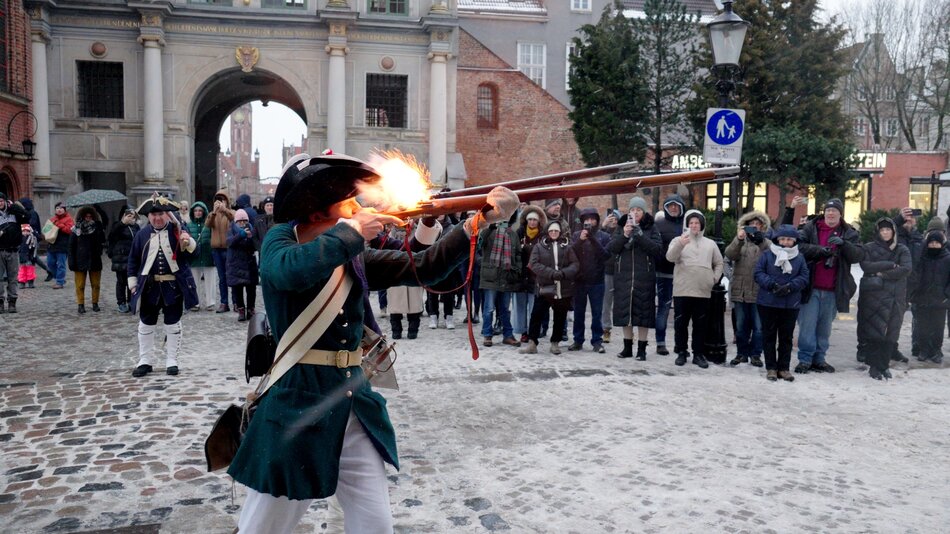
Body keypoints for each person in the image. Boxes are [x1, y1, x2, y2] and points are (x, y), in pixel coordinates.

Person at [226, 152, 518, 533]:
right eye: (347, 201)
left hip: (353, 403)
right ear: (316, 214)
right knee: (263, 527)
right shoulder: (282, 241)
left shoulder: (351, 251)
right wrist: (350, 233)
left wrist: (477, 221)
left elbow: (425, 266)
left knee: (375, 524)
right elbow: (289, 272)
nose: (358, 205)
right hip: (297, 408)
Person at [128, 196, 198, 377]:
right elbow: (133, 260)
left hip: (173, 287)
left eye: (160, 214)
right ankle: (145, 360)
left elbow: (193, 253)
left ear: (167, 215)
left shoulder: (177, 230)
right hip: (149, 287)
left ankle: (172, 360)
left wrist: (187, 241)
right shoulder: (141, 235)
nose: (157, 218)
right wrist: (133, 283)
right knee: (145, 323)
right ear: (148, 217)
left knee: (173, 323)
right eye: (153, 215)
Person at [795, 198, 865, 374]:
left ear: (840, 214)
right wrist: (820, 250)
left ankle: (819, 359)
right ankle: (805, 359)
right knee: (807, 326)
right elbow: (799, 247)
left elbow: (858, 255)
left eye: (834, 211)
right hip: (811, 287)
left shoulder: (849, 233)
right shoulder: (811, 228)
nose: (831, 214)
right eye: (828, 211)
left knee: (824, 328)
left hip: (834, 289)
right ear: (823, 213)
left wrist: (844, 245)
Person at [665, 209, 723, 369]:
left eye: (697, 223)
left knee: (700, 325)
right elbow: (670, 257)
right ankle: (682, 352)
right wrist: (680, 244)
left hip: (702, 290)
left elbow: (719, 263)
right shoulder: (678, 240)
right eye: (691, 223)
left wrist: (714, 278)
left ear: (701, 225)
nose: (694, 226)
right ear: (687, 225)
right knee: (681, 324)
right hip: (682, 289)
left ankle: (698, 353)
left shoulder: (710, 244)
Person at [856, 218, 911, 380]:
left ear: (894, 231)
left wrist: (882, 274)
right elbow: (866, 266)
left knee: (892, 333)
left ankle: (883, 365)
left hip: (896, 296)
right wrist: (889, 264)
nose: (885, 232)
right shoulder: (869, 248)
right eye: (882, 230)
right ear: (878, 232)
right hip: (874, 296)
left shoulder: (902, 249)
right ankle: (874, 366)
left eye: (888, 230)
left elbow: (906, 269)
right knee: (875, 331)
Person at [753, 225, 810, 381]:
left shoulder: (799, 257)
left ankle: (784, 368)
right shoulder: (767, 255)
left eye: (789, 240)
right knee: (769, 336)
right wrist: (772, 285)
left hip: (789, 304)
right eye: (783, 239)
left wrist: (790, 286)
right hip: (768, 302)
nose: (785, 242)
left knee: (786, 338)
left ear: (794, 241)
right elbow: (758, 273)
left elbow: (804, 277)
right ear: (777, 240)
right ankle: (771, 367)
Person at [609, 197, 662, 360]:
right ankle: (627, 348)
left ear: (644, 212)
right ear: (629, 211)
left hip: (644, 278)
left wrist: (640, 236)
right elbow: (612, 248)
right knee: (627, 314)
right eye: (633, 210)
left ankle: (642, 350)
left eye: (639, 210)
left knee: (643, 314)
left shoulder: (651, 227)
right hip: (623, 277)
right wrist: (625, 235)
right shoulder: (621, 226)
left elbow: (657, 250)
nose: (635, 212)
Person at [520, 220, 579, 354]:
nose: (553, 233)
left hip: (562, 288)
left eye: (556, 231)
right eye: (551, 231)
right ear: (547, 232)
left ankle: (555, 343)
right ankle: (532, 342)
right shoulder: (539, 247)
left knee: (560, 316)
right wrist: (552, 273)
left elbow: (575, 265)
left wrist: (563, 273)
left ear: (560, 232)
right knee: (536, 315)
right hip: (545, 287)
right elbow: (534, 264)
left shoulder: (567, 247)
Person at [724, 210, 771, 368]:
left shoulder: (766, 242)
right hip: (740, 290)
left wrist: (761, 241)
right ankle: (741, 353)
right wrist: (738, 239)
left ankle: (756, 355)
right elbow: (729, 254)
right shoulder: (740, 241)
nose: (754, 227)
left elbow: (773, 255)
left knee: (758, 327)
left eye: (758, 225)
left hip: (759, 291)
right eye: (751, 225)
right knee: (741, 326)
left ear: (762, 227)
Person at [569, 208, 612, 353]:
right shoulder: (576, 235)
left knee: (596, 313)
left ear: (597, 221)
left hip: (597, 281)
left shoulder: (604, 236)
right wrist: (580, 241)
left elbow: (605, 255)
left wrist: (592, 239)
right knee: (578, 313)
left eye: (592, 219)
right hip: (580, 281)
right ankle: (578, 340)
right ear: (582, 222)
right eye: (586, 220)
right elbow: (570, 253)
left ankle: (597, 341)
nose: (589, 222)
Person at [478, 214, 522, 347]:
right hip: (490, 277)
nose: (503, 221)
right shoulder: (489, 232)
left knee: (505, 309)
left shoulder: (513, 234)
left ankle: (508, 335)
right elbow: (480, 243)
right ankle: (487, 335)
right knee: (489, 308)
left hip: (507, 277)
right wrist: (489, 226)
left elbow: (518, 255)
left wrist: (517, 270)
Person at [909, 230, 950, 364]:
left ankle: (936, 351)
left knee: (938, 327)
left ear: (942, 244)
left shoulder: (947, 258)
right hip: (923, 298)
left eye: (937, 243)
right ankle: (924, 350)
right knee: (922, 326)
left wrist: (946, 294)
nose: (933, 245)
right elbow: (915, 275)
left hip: (940, 300)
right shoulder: (922, 258)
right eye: (931, 243)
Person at [653, 194, 687, 355]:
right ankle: (660, 342)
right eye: (671, 205)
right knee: (664, 309)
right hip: (664, 273)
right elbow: (655, 247)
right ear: (666, 207)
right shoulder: (658, 224)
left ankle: (681, 345)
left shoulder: (687, 225)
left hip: (683, 273)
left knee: (682, 311)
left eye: (676, 205)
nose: (674, 208)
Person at [511, 206, 547, 342]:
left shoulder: (543, 236)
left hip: (536, 276)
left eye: (535, 220)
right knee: (519, 306)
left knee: (534, 307)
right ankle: (522, 331)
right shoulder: (519, 233)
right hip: (520, 275)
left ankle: (533, 332)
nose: (532, 222)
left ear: (538, 222)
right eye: (530, 219)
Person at [425, 213, 462, 331]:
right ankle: (433, 316)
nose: (440, 214)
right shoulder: (430, 226)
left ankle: (449, 317)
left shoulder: (451, 228)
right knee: (432, 293)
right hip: (432, 264)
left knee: (448, 294)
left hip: (448, 265)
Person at [68, 205, 106, 314]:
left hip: (94, 259)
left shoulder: (97, 228)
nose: (88, 218)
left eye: (90, 216)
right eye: (86, 216)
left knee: (96, 284)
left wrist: (100, 226)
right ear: (82, 217)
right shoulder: (76, 229)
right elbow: (71, 246)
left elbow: (103, 240)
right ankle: (80, 304)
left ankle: (95, 303)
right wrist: (71, 261)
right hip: (80, 259)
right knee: (80, 285)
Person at [226, 209, 259, 322]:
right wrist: (241, 235)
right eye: (240, 221)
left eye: (244, 221)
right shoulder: (231, 229)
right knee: (237, 289)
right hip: (236, 264)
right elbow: (229, 242)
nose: (242, 223)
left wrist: (250, 238)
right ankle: (240, 309)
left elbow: (255, 245)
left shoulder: (252, 229)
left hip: (249, 264)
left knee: (251, 289)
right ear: (236, 222)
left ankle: (250, 309)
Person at [107, 206, 141, 313]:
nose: (131, 218)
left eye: (132, 216)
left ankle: (131, 301)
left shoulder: (136, 227)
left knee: (132, 281)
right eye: (129, 216)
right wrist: (123, 223)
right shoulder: (118, 226)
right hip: (121, 258)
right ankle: (121, 302)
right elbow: (111, 236)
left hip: (133, 258)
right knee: (121, 281)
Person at [185, 201, 216, 311]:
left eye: (200, 211)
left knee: (210, 279)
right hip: (194, 256)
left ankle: (210, 302)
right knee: (194, 280)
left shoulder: (209, 225)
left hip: (208, 254)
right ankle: (195, 302)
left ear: (204, 212)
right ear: (193, 212)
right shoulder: (188, 226)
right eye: (196, 211)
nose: (198, 213)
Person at [0, 194, 29, 313]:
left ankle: (12, 301)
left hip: (13, 249)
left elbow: (27, 217)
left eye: (1, 201)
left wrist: (15, 207)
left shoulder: (14, 212)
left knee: (13, 278)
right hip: (0, 250)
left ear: (6, 201)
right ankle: (0, 302)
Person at [206, 190, 234, 312]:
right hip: (217, 249)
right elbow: (207, 224)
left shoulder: (231, 212)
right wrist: (213, 212)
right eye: (218, 200)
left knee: (231, 277)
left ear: (227, 201)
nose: (220, 202)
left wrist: (225, 210)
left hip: (228, 249)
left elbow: (234, 219)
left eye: (222, 200)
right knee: (222, 278)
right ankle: (224, 303)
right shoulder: (213, 214)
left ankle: (236, 303)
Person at [600, 209, 621, 344]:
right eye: (610, 218)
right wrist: (603, 226)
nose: (613, 221)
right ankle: (606, 329)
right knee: (606, 303)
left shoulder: (623, 232)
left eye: (615, 218)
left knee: (621, 304)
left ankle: (627, 331)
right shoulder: (603, 234)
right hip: (607, 271)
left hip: (621, 272)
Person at [46, 202, 74, 289]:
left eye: (61, 208)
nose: (59, 209)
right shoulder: (52, 219)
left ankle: (60, 282)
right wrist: (47, 228)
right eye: (57, 208)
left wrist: (59, 225)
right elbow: (46, 230)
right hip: (52, 244)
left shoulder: (69, 219)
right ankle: (59, 278)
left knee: (61, 264)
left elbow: (69, 230)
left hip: (63, 245)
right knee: (50, 263)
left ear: (64, 210)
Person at [17, 224, 38, 293]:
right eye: (24, 231)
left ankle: (30, 282)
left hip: (30, 257)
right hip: (22, 257)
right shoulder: (19, 239)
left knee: (30, 271)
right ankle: (22, 282)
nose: (25, 232)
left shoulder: (32, 238)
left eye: (27, 231)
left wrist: (32, 257)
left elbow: (34, 249)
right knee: (22, 271)